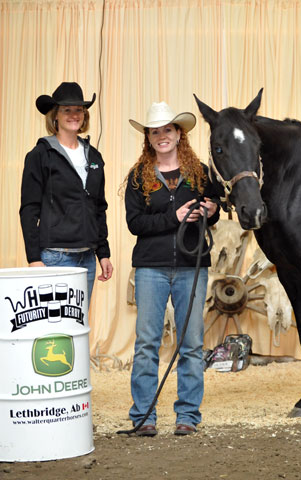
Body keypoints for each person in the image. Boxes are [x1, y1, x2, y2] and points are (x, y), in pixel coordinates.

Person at [124, 101, 219, 436]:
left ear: (179, 134)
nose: (162, 136)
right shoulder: (138, 177)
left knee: (191, 342)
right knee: (147, 342)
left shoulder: (200, 173)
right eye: (155, 131)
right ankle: (144, 417)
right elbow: (134, 223)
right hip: (151, 267)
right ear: (148, 138)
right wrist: (173, 218)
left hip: (192, 267)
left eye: (168, 130)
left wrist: (210, 209)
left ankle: (188, 416)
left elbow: (216, 207)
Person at [20, 81, 113, 305]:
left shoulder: (94, 157)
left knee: (78, 324)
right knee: (54, 328)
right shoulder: (40, 155)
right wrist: (34, 258)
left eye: (79, 109)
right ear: (55, 116)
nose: (74, 115)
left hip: (87, 257)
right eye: (67, 110)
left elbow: (99, 207)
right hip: (54, 257)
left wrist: (103, 253)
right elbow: (29, 209)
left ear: (84, 115)